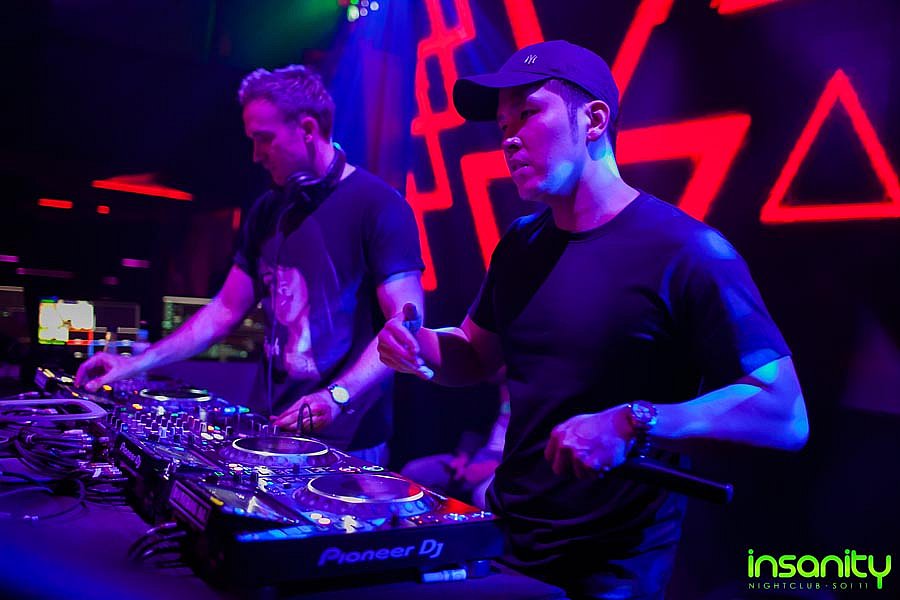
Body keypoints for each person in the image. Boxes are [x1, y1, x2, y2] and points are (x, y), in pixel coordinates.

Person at [376, 40, 808, 598]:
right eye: (503, 124)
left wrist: (633, 421)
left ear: (594, 120)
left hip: (609, 569)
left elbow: (783, 413)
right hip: (505, 539)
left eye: (527, 113)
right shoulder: (521, 244)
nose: (508, 137)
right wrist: (422, 347)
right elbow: (475, 354)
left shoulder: (687, 251)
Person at [76, 65, 424, 464]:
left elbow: (406, 322)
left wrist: (338, 396)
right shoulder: (268, 210)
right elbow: (224, 310)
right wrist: (135, 363)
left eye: (264, 139)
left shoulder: (379, 205)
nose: (256, 155)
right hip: (271, 428)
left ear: (307, 128)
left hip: (351, 440)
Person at [401, 371, 510, 509]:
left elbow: (531, 448)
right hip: (480, 455)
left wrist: (495, 466)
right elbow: (475, 429)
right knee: (413, 471)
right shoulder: (490, 390)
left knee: (483, 496)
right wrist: (463, 458)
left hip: (510, 461)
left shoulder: (530, 393)